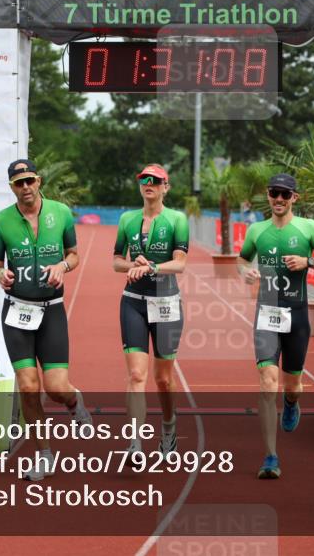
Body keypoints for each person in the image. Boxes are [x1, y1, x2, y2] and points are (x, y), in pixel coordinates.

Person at [0, 159, 92, 481]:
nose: (26, 188)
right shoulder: (0, 221)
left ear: (39, 180)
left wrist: (63, 266)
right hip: (17, 311)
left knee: (57, 387)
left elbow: (74, 254)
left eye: (30, 181)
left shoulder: (60, 213)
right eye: (19, 183)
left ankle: (75, 403)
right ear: (12, 187)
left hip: (52, 311)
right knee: (29, 387)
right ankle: (43, 455)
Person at [237, 173, 314, 479]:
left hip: (297, 314)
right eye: (274, 193)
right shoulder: (257, 230)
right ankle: (270, 455)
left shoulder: (308, 228)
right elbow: (242, 262)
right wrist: (246, 274)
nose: (278, 199)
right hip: (266, 313)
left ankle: (292, 401)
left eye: (285, 194)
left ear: (295, 197)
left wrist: (308, 262)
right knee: (267, 381)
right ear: (268, 196)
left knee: (291, 384)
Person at [113, 164, 189, 457]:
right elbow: (117, 261)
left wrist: (152, 266)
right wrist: (133, 265)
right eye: (144, 179)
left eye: (156, 181)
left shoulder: (177, 220)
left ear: (165, 187)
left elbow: (180, 264)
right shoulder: (127, 220)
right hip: (133, 301)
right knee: (135, 375)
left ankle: (168, 426)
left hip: (166, 303)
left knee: (164, 379)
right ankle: (135, 443)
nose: (149, 184)